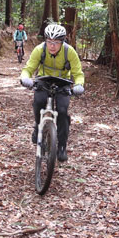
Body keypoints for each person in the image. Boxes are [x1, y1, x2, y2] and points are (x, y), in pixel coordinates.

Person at [19, 23, 85, 162]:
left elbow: (78, 73)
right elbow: (29, 68)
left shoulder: (69, 52)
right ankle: (38, 127)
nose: (52, 45)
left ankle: (61, 146)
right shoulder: (39, 50)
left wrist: (79, 85)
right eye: (49, 42)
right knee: (39, 102)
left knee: (62, 110)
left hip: (63, 82)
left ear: (62, 42)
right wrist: (25, 78)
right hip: (44, 80)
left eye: (56, 42)